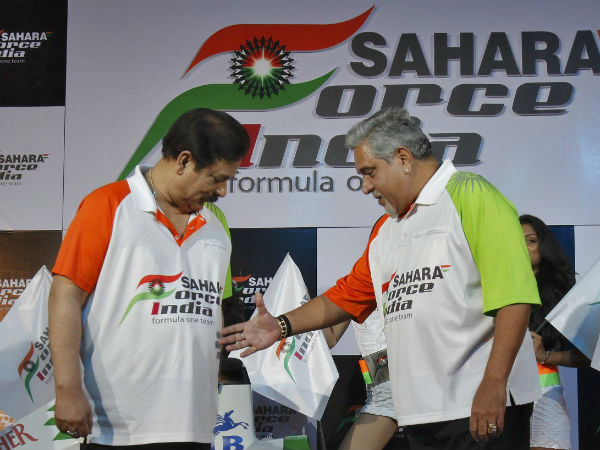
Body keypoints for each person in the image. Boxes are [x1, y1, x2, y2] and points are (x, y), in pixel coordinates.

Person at [220, 107, 542, 450]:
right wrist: (280, 325)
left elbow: (514, 299)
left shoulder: (471, 194)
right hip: (421, 412)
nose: (365, 186)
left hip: (477, 405)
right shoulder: (386, 229)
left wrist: (494, 383)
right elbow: (347, 296)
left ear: (403, 158)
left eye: (369, 172)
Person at [48, 108, 249, 449]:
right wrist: (67, 390)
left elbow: (212, 314)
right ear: (184, 161)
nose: (224, 191)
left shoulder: (216, 225)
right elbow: (65, 295)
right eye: (216, 178)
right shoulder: (107, 205)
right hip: (118, 427)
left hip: (195, 426)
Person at [519, 214, 590, 450]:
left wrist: (544, 355)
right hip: (501, 397)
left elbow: (584, 355)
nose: (523, 247)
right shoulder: (490, 288)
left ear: (543, 245)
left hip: (544, 394)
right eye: (516, 240)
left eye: (530, 240)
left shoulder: (563, 294)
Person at [324, 310, 398, 450]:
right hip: (381, 383)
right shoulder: (352, 293)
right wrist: (300, 303)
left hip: (398, 382)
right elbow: (331, 336)